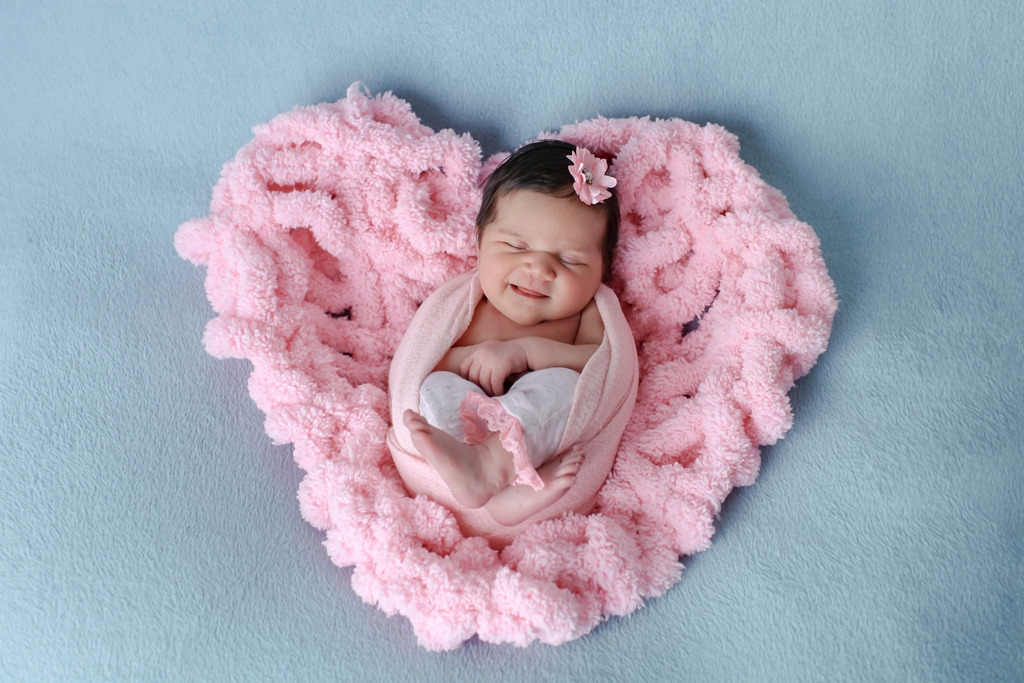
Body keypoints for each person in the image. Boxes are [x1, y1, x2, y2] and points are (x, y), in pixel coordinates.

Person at [400, 139, 621, 526]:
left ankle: (497, 473)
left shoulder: (588, 312)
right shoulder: (466, 306)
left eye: (569, 259)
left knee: (564, 387)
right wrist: (470, 359)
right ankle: (478, 474)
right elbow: (420, 362)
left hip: (538, 441)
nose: (539, 269)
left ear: (603, 270)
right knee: (431, 388)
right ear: (479, 242)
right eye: (516, 246)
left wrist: (525, 353)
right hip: (461, 433)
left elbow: (601, 365)